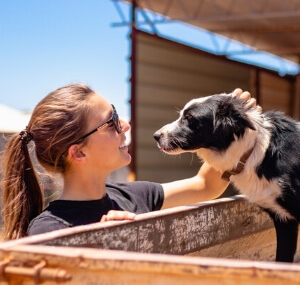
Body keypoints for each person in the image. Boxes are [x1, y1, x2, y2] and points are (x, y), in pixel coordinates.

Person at [0, 84, 258, 240]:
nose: (125, 124)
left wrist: (229, 132)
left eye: (116, 113)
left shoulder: (133, 195)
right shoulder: (48, 231)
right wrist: (100, 247)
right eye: (110, 121)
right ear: (79, 153)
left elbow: (205, 185)